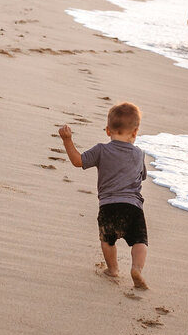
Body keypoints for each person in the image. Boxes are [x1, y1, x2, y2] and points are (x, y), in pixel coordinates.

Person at [57, 101, 148, 289]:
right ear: (135, 132)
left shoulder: (101, 150)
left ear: (108, 131)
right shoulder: (139, 154)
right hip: (133, 207)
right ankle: (137, 268)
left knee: (107, 240)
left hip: (108, 206)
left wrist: (67, 140)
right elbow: (143, 176)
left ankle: (113, 269)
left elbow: (78, 161)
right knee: (139, 241)